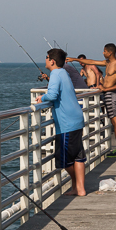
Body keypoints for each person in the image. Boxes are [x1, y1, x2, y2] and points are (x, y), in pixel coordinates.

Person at [35, 49, 87, 196]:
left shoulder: (56, 73)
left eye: (46, 57)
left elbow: (52, 94)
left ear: (52, 61)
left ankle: (78, 186)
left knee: (64, 159)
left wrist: (41, 98)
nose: (45, 60)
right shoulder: (64, 72)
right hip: (77, 118)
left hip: (66, 123)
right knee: (78, 156)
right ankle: (79, 189)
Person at [67, 44, 116, 158]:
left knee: (115, 122)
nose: (103, 53)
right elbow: (91, 61)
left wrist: (105, 88)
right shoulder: (107, 63)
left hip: (111, 94)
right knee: (112, 121)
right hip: (106, 93)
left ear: (110, 52)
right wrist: (74, 59)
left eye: (104, 51)